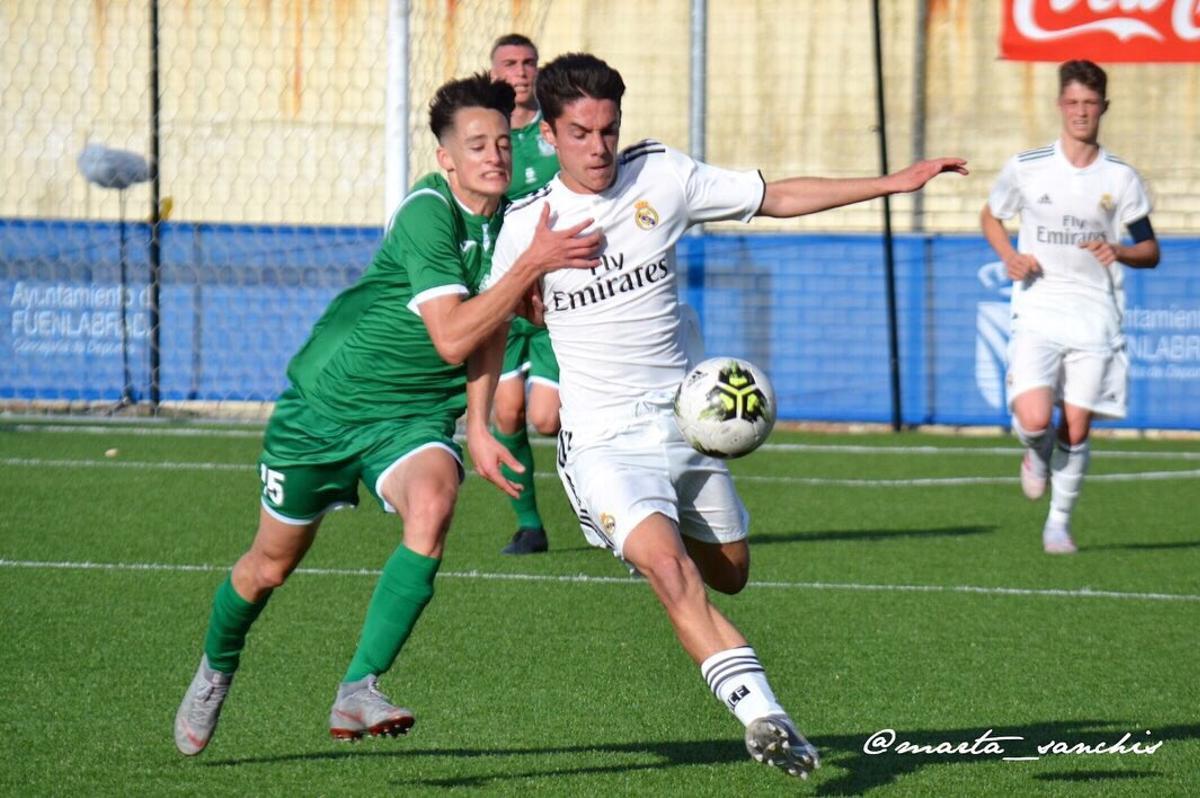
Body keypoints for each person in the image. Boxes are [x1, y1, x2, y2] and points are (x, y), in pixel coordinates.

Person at [483, 52, 967, 779]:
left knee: (730, 574)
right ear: (548, 135)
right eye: (581, 133)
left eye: (609, 130)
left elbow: (775, 195)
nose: (599, 148)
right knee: (672, 572)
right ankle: (765, 717)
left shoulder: (663, 176)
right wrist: (480, 420)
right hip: (605, 443)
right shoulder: (529, 225)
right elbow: (486, 326)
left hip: (686, 424)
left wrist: (889, 185)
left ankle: (692, 563)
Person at [173, 72, 600, 756]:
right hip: (323, 411)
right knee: (268, 568)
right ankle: (216, 666)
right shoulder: (428, 212)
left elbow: (488, 332)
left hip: (410, 420)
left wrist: (482, 428)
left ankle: (358, 688)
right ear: (447, 158)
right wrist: (528, 276)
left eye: (501, 142)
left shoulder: (519, 220)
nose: (494, 155)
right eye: (476, 144)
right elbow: (453, 335)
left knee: (434, 503)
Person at [981, 59, 1159, 555]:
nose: (1082, 112)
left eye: (1091, 103)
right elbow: (991, 215)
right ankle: (1036, 454)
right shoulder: (1028, 165)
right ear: (1061, 105)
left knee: (1076, 425)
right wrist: (1010, 256)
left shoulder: (1121, 178)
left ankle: (1058, 524)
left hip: (1095, 313)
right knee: (1036, 419)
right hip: (1040, 306)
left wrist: (1119, 250)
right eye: (1073, 102)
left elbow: (1150, 249)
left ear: (1105, 107)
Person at [488, 33, 563, 554]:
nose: (520, 71)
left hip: (557, 295)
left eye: (528, 62)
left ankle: (612, 498)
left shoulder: (557, 131)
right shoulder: (487, 139)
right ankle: (531, 525)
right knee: (508, 415)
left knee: (546, 418)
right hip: (504, 297)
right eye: (510, 63)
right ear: (493, 73)